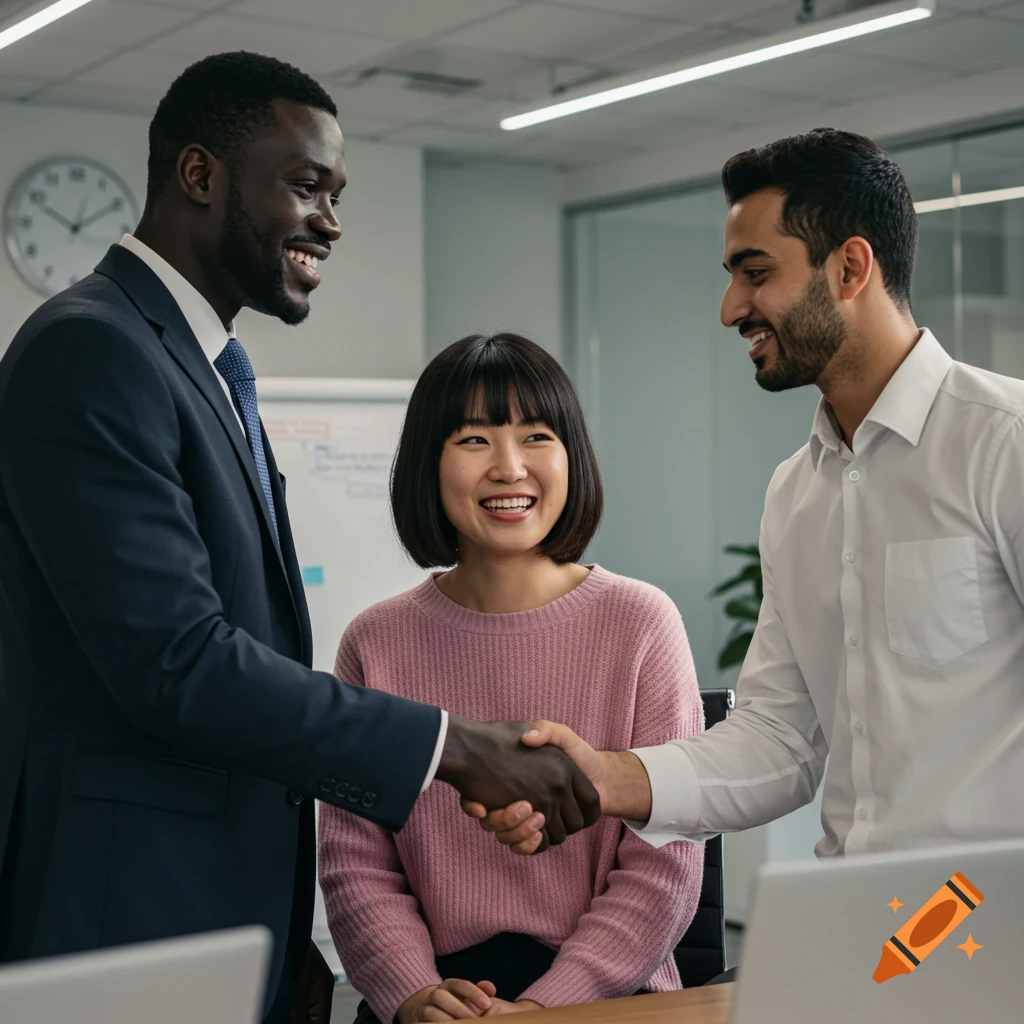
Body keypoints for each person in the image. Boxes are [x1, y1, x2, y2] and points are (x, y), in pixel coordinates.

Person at [0, 52, 597, 1024]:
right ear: (200, 175)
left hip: (220, 916)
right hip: (124, 919)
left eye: (338, 191)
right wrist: (451, 748)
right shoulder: (93, 351)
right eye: (305, 185)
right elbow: (176, 663)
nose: (331, 219)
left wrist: (286, 938)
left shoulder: (196, 366)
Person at [469, 129, 1024, 876]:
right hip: (856, 924)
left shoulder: (1004, 443)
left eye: (755, 274)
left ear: (851, 267)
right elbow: (780, 740)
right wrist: (604, 778)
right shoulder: (798, 492)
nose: (733, 308)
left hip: (990, 935)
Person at [318, 333, 705, 1024]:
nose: (509, 467)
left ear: (571, 457)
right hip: (436, 998)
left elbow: (664, 866)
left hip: (604, 998)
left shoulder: (642, 622)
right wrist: (411, 991)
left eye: (536, 436)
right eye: (473, 441)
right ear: (428, 465)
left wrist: (546, 1008)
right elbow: (355, 863)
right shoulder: (374, 643)